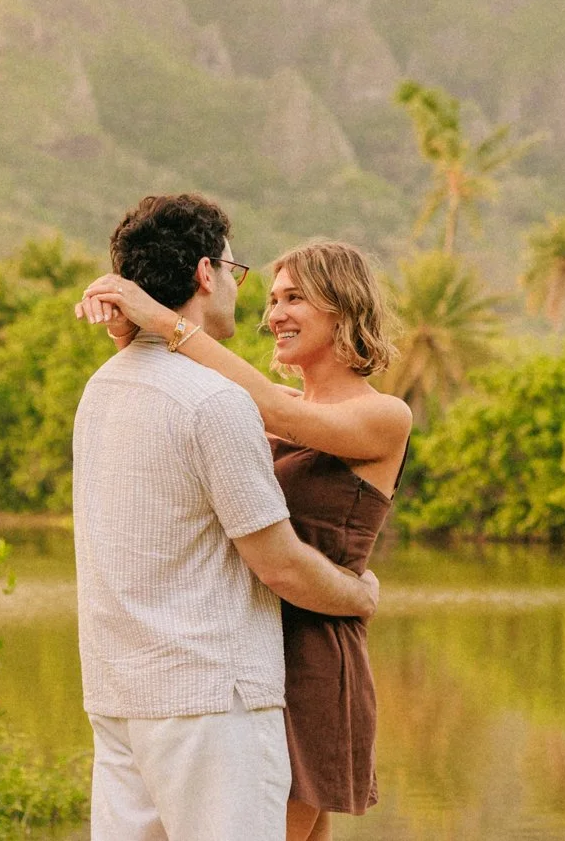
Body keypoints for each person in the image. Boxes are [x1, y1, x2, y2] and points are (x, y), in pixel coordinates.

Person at [79, 239, 411, 841]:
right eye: (271, 299)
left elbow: (273, 414)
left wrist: (165, 319)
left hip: (311, 652)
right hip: (246, 647)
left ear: (343, 305)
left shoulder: (384, 416)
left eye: (294, 299)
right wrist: (131, 330)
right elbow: (207, 400)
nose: (272, 315)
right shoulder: (275, 403)